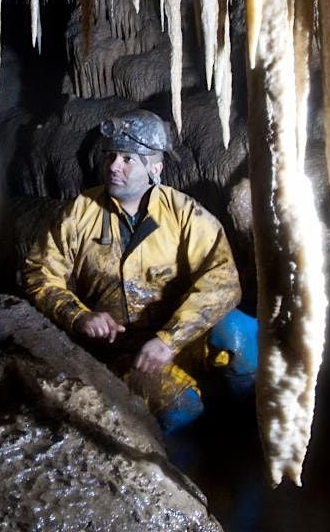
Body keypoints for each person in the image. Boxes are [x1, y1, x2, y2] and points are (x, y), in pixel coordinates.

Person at [23, 109, 250, 433]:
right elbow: (39, 273)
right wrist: (79, 316)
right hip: (123, 352)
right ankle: (181, 473)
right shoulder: (79, 213)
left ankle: (246, 430)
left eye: (128, 158)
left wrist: (170, 339)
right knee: (180, 406)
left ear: (154, 168)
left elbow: (223, 280)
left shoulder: (184, 213)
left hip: (176, 335)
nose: (114, 166)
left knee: (242, 335)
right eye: (111, 156)